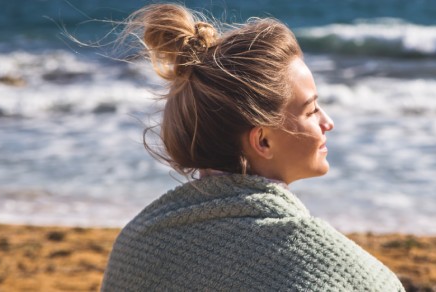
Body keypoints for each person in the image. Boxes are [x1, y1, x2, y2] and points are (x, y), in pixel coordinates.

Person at [101, 4, 404, 291]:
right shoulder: (345, 274)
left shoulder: (136, 246)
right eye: (311, 111)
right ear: (262, 141)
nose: (328, 122)